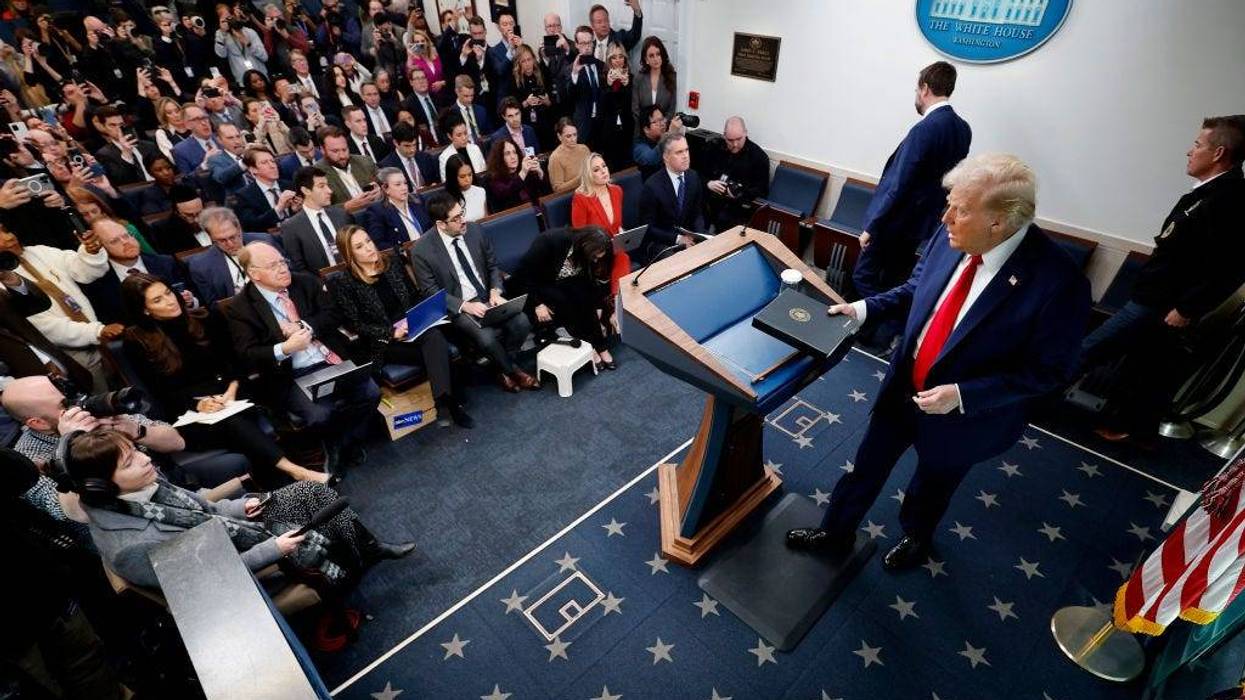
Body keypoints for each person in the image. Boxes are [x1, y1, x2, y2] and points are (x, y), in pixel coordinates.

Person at [786, 153, 1091, 571]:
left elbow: (1048, 372)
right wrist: (864, 309)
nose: (945, 217)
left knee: (934, 483)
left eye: (960, 210)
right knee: (866, 467)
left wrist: (964, 395)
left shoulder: (1059, 282)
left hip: (966, 413)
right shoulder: (952, 233)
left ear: (998, 223)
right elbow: (917, 289)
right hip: (904, 384)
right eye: (949, 204)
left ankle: (916, 537)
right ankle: (835, 531)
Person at [62, 429, 413, 652]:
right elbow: (212, 580)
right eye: (129, 461)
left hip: (232, 532)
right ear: (102, 486)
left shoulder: (142, 485)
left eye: (136, 450)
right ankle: (348, 563)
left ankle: (367, 547)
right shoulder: (132, 546)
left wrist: (239, 507)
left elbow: (207, 508)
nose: (145, 458)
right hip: (239, 577)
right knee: (312, 529)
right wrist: (272, 549)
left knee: (310, 491)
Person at [1081, 116, 1245, 443]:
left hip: (1164, 303)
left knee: (1090, 350)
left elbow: (1231, 265)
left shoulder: (1230, 198)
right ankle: (1122, 429)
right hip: (1153, 297)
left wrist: (1188, 308)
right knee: (1136, 366)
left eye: (1197, 145)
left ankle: (1026, 398)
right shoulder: (1209, 193)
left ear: (1218, 153)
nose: (1189, 151)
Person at [119, 273, 329, 485]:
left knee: (240, 417)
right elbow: (160, 393)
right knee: (233, 422)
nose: (170, 301)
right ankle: (295, 471)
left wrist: (231, 390)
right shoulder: (137, 341)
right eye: (158, 300)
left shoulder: (205, 318)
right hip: (190, 414)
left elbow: (237, 363)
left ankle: (285, 481)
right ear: (145, 310)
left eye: (168, 293)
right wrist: (198, 403)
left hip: (233, 395)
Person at [225, 241, 381, 472]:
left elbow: (334, 314)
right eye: (273, 266)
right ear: (254, 274)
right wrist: (285, 348)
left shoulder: (305, 282)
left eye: (282, 262)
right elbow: (247, 353)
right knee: (319, 415)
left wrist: (303, 326)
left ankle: (342, 442)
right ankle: (336, 443)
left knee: (371, 392)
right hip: (292, 375)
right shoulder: (240, 308)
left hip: (328, 359)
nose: (283, 269)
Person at [853, 61, 973, 309]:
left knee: (862, 277)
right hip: (921, 226)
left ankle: (878, 324)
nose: (916, 95)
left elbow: (899, 184)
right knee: (895, 281)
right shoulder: (963, 129)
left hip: (893, 222)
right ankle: (887, 326)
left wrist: (872, 226)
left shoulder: (924, 129)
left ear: (925, 88)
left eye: (917, 90)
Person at [329, 224, 472, 428]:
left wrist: (419, 316)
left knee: (434, 338)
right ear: (349, 254)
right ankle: (452, 403)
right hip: (385, 342)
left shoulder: (391, 263)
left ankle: (443, 404)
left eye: (368, 241)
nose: (369, 248)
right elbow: (357, 325)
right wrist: (391, 332)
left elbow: (414, 296)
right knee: (438, 350)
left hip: (413, 327)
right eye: (359, 247)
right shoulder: (343, 282)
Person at [410, 193, 538, 392]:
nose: (463, 220)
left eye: (462, 213)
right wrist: (465, 306)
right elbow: (430, 292)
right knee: (487, 338)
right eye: (456, 218)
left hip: (488, 297)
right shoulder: (421, 250)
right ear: (441, 224)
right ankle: (513, 371)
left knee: (522, 321)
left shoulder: (475, 230)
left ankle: (502, 366)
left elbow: (493, 266)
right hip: (460, 306)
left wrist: (496, 290)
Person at [0, 220, 114, 390]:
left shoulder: (40, 252)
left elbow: (84, 272)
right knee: (100, 397)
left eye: (5, 230)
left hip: (100, 341)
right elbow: (43, 327)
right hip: (69, 355)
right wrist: (95, 331)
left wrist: (91, 253)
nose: (9, 237)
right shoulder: (2, 285)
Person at [509, 226, 616, 369]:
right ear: (585, 245)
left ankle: (601, 347)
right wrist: (537, 304)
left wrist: (598, 304)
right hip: (538, 287)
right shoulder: (551, 240)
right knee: (567, 303)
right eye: (594, 257)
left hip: (566, 284)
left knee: (586, 299)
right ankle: (589, 347)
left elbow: (587, 281)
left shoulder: (584, 253)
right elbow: (523, 276)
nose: (595, 260)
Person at [82, 219, 195, 326]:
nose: (126, 242)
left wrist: (190, 302)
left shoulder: (167, 263)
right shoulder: (97, 282)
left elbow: (197, 297)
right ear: (101, 249)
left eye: (126, 235)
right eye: (114, 241)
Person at [186, 207, 281, 306]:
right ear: (211, 237)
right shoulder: (200, 266)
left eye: (233, 237)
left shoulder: (266, 242)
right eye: (222, 240)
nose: (230, 244)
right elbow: (213, 306)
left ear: (239, 228)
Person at [637, 131, 704, 264]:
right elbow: (647, 228)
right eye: (679, 152)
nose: (685, 156)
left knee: (714, 246)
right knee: (677, 262)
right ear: (666, 157)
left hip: (688, 236)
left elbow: (697, 213)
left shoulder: (693, 177)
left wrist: (699, 235)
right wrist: (678, 239)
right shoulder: (652, 186)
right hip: (661, 241)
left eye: (686, 150)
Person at [572, 153, 629, 294]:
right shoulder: (581, 198)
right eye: (596, 169)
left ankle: (618, 299)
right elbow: (578, 235)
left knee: (622, 256)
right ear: (588, 175)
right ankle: (619, 300)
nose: (603, 171)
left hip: (615, 247)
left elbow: (617, 225)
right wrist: (597, 251)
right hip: (595, 253)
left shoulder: (617, 191)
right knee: (622, 257)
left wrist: (623, 234)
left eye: (604, 166)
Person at [704, 116, 771, 231]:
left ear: (745, 133)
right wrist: (708, 183)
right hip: (711, 201)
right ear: (724, 135)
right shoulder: (715, 148)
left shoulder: (758, 157)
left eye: (739, 139)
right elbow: (697, 173)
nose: (735, 144)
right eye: (730, 140)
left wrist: (740, 193)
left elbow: (762, 191)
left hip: (739, 210)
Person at [282, 166, 353, 272]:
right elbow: (299, 268)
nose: (329, 191)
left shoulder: (342, 215)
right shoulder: (291, 227)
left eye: (327, 185)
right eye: (321, 186)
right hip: (322, 281)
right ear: (306, 190)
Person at [315, 126, 382, 212]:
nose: (342, 156)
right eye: (335, 151)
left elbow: (387, 185)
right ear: (322, 150)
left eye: (344, 149)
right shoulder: (316, 174)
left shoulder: (365, 162)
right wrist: (346, 207)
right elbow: (320, 210)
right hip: (348, 219)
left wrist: (381, 191)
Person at [231, 146, 298, 232]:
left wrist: (297, 210)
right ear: (253, 169)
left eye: (273, 161)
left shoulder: (290, 185)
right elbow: (250, 226)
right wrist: (278, 208)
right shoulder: (243, 196)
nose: (272, 166)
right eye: (264, 163)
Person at [91, 105, 161, 186]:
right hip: (137, 190)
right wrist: (126, 155)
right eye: (112, 125)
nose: (118, 129)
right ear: (104, 127)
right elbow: (122, 182)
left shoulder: (149, 146)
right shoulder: (104, 155)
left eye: (121, 125)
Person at [364, 166, 431, 250]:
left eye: (405, 183)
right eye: (398, 184)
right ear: (385, 188)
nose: (404, 188)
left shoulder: (418, 200)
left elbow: (432, 227)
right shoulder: (377, 211)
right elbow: (379, 243)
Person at [565, 25, 606, 149]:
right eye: (583, 43)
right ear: (576, 45)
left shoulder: (602, 66)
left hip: (601, 122)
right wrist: (575, 74)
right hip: (583, 123)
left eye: (589, 42)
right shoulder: (570, 69)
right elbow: (569, 97)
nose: (587, 47)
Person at [508, 44, 555, 151]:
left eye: (529, 59)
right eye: (523, 61)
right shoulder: (514, 80)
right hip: (526, 124)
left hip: (545, 122)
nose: (527, 64)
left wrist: (547, 101)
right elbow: (512, 107)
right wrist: (526, 103)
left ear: (534, 59)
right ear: (518, 63)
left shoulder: (542, 72)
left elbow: (554, 100)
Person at [485, 137, 547, 212]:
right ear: (499, 157)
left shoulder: (526, 172)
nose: (513, 157)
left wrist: (540, 173)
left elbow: (545, 194)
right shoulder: (493, 179)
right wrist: (523, 172)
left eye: (514, 152)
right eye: (507, 154)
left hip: (536, 213)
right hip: (515, 216)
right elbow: (508, 193)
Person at [599, 42, 635, 170]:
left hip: (626, 127)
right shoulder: (602, 78)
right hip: (609, 129)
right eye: (614, 57)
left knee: (626, 164)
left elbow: (633, 106)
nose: (618, 60)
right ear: (609, 60)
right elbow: (602, 107)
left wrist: (627, 87)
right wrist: (609, 85)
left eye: (621, 56)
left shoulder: (631, 78)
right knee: (611, 164)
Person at [149, 185, 211, 255]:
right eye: (189, 215)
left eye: (199, 213)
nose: (196, 219)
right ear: (177, 213)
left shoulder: (213, 217)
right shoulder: (164, 231)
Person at [379, 121, 439, 191]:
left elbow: (436, 181)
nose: (412, 150)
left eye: (414, 145)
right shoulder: (387, 166)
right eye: (407, 146)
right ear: (395, 143)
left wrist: (434, 185)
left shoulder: (426, 158)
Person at [214, 14, 269, 84]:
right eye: (225, 20)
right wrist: (222, 34)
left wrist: (249, 44)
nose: (229, 22)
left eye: (230, 18)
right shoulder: (222, 36)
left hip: (261, 77)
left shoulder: (250, 32)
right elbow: (222, 55)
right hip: (242, 80)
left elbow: (264, 57)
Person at [632, 104, 682, 180]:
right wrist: (670, 135)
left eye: (662, 119)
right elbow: (651, 158)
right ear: (646, 129)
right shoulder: (639, 147)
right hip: (650, 185)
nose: (662, 124)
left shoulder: (662, 138)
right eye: (656, 122)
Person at [632, 35, 675, 120]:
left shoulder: (671, 77)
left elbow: (672, 109)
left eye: (658, 54)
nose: (656, 59)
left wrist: (663, 123)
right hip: (643, 126)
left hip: (664, 126)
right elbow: (635, 109)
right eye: (651, 56)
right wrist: (646, 125)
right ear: (646, 60)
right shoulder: (638, 79)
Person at [171, 103, 221, 174]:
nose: (204, 123)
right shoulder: (180, 151)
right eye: (196, 119)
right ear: (187, 125)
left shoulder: (222, 137)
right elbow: (188, 179)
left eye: (204, 117)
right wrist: (204, 166)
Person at [401, 65, 442, 146]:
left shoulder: (437, 97)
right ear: (411, 82)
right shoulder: (407, 105)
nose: (421, 81)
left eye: (423, 78)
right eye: (417, 79)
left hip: (444, 140)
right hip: (425, 145)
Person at [436, 115, 487, 180]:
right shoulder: (445, 157)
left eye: (465, 133)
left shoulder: (475, 148)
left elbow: (484, 173)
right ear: (450, 136)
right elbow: (447, 181)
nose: (464, 138)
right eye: (459, 135)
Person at [549, 117, 590, 192]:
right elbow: (557, 189)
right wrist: (580, 179)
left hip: (590, 189)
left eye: (575, 135)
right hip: (572, 195)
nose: (573, 139)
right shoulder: (555, 158)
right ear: (559, 136)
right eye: (568, 136)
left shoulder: (584, 149)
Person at [404, 28, 445, 104]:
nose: (420, 44)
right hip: (429, 99)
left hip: (445, 94)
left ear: (427, 42)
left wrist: (442, 83)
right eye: (417, 42)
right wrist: (409, 56)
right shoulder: (413, 61)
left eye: (423, 41)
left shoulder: (436, 57)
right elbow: (410, 76)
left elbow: (448, 75)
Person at [444, 154, 487, 222]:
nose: (468, 180)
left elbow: (487, 220)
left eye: (470, 174)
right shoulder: (446, 200)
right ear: (453, 177)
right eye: (462, 176)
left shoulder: (481, 191)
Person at [448, 73, 491, 144]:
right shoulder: (451, 114)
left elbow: (490, 133)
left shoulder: (481, 110)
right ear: (457, 92)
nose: (470, 100)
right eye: (466, 96)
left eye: (472, 96)